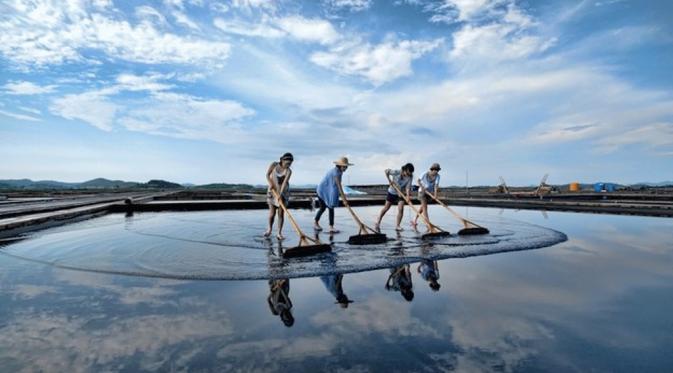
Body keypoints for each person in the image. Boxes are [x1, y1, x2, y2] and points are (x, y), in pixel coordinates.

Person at [314, 156, 353, 233]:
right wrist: (344, 200)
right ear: (340, 165)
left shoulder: (339, 171)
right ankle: (318, 223)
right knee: (324, 208)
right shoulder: (336, 173)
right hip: (322, 191)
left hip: (327, 191)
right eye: (344, 167)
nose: (345, 168)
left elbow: (335, 186)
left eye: (346, 167)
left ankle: (330, 226)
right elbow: (339, 186)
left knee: (329, 208)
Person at [375, 163, 414, 232]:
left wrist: (407, 197)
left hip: (401, 193)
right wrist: (389, 180)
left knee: (401, 208)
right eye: (407, 173)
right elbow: (386, 171)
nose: (408, 175)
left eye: (410, 174)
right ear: (404, 170)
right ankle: (378, 220)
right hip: (392, 192)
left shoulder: (410, 176)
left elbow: (408, 187)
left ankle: (398, 226)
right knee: (386, 208)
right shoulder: (396, 172)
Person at [264, 153, 294, 240]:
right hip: (272, 191)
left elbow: (284, 183)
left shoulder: (289, 171)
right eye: (287, 163)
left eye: (290, 164)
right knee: (272, 214)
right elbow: (267, 175)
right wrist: (271, 184)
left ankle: (279, 233)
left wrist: (280, 195)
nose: (288, 165)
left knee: (281, 214)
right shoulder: (274, 165)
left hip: (283, 192)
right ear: (282, 160)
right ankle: (269, 229)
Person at [412, 163, 441, 232]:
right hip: (422, 192)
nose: (436, 171)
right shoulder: (424, 173)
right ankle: (428, 224)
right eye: (435, 170)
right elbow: (418, 181)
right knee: (425, 208)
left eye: (437, 170)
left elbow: (436, 186)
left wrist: (435, 196)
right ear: (432, 169)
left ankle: (414, 219)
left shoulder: (438, 176)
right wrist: (422, 187)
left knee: (422, 207)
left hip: (429, 193)